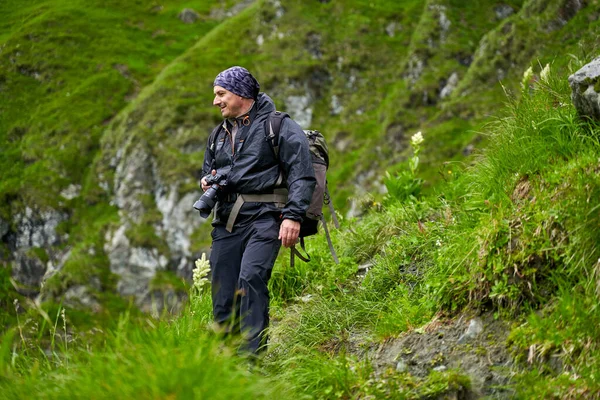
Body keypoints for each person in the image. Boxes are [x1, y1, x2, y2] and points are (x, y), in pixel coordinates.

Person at [201, 66, 316, 354]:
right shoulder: (218, 134)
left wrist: (293, 216)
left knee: (251, 278)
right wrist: (206, 181)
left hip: (267, 217)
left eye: (221, 94)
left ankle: (252, 359)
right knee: (222, 291)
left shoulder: (279, 127)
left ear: (241, 93)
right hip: (227, 221)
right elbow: (208, 171)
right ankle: (228, 360)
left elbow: (302, 175)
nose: (216, 101)